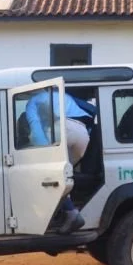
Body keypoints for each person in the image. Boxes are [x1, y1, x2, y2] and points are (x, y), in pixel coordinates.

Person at [25, 89, 96, 233]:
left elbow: (36, 129)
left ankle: (70, 213)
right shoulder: (63, 94)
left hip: (60, 130)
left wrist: (43, 153)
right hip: (82, 133)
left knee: (51, 175)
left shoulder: (32, 102)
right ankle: (64, 212)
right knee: (64, 173)